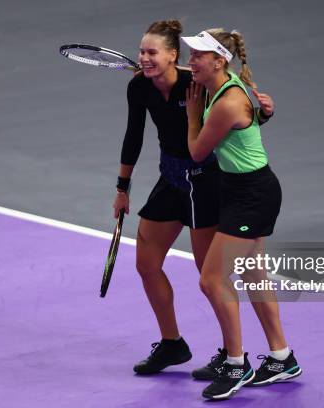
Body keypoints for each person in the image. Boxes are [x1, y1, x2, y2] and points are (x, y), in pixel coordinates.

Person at [113, 20, 275, 377]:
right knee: (146, 264)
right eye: (142, 52)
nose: (144, 57)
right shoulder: (139, 86)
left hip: (206, 184)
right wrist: (122, 188)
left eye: (152, 52)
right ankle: (172, 344)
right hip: (171, 179)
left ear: (173, 56)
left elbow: (242, 107)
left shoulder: (196, 82)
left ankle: (232, 354)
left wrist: (265, 108)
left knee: (210, 276)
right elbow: (133, 136)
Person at [182, 28, 302, 400]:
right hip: (239, 190)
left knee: (211, 280)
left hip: (253, 195)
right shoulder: (224, 81)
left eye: (199, 55)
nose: (192, 61)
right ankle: (281, 357)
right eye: (190, 54)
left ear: (219, 61)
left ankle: (236, 364)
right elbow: (255, 115)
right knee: (253, 275)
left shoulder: (226, 102)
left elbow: (198, 152)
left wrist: (191, 116)